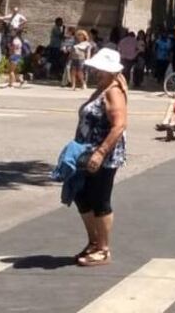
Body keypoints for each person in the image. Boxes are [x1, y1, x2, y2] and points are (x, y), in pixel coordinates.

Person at [70, 48, 127, 267]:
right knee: (81, 195)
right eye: (96, 68)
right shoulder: (101, 88)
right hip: (87, 150)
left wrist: (101, 152)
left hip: (103, 154)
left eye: (100, 69)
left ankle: (103, 248)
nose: (96, 72)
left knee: (99, 198)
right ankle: (93, 242)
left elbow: (119, 125)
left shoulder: (113, 91)